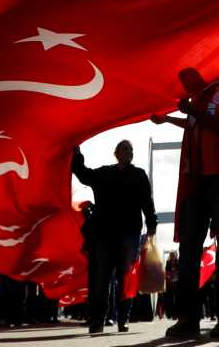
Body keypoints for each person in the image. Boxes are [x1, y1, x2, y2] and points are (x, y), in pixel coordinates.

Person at [152, 69, 219, 339]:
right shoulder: (198, 96)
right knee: (188, 250)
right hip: (195, 181)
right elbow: (195, 123)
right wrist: (169, 118)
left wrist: (193, 111)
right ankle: (187, 318)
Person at [71, 139, 156, 333]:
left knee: (125, 278)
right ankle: (97, 320)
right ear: (116, 153)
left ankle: (122, 319)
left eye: (130, 149)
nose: (127, 151)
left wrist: (152, 222)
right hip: (104, 234)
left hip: (129, 233)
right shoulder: (104, 173)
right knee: (102, 278)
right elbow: (84, 174)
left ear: (132, 155)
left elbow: (146, 200)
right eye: (123, 148)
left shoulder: (139, 175)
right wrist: (76, 153)